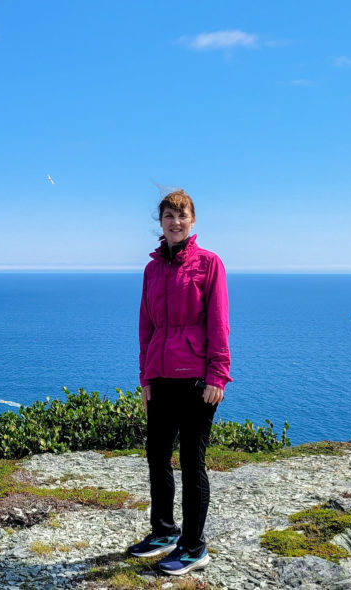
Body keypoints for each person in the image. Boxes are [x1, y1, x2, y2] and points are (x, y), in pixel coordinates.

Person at [126, 189, 231, 576]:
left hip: (197, 380)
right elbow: (146, 327)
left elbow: (219, 323)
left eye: (181, 215)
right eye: (168, 215)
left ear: (193, 220)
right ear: (161, 223)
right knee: (156, 456)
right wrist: (146, 377)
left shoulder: (208, 264)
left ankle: (193, 546)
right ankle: (163, 532)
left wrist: (218, 374)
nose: (175, 221)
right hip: (161, 377)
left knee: (191, 462)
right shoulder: (152, 270)